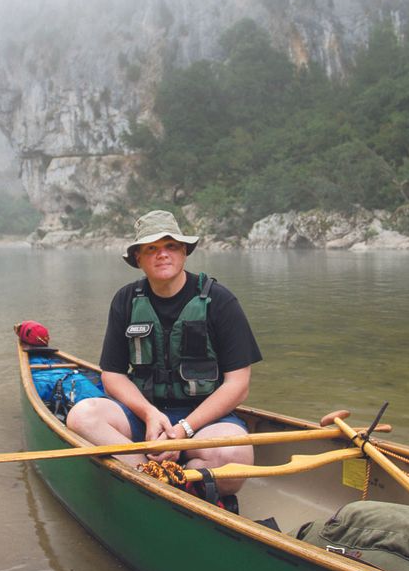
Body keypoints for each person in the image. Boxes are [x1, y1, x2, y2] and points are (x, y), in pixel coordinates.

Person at [66, 210, 262, 500]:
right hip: (142, 415)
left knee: (237, 455)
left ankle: (184, 470)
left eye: (171, 246)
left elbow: (238, 384)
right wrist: (150, 414)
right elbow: (112, 375)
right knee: (83, 417)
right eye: (151, 249)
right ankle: (151, 474)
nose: (162, 254)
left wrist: (183, 431)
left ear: (184, 252)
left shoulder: (220, 301)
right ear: (138, 259)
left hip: (202, 421)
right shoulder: (126, 299)